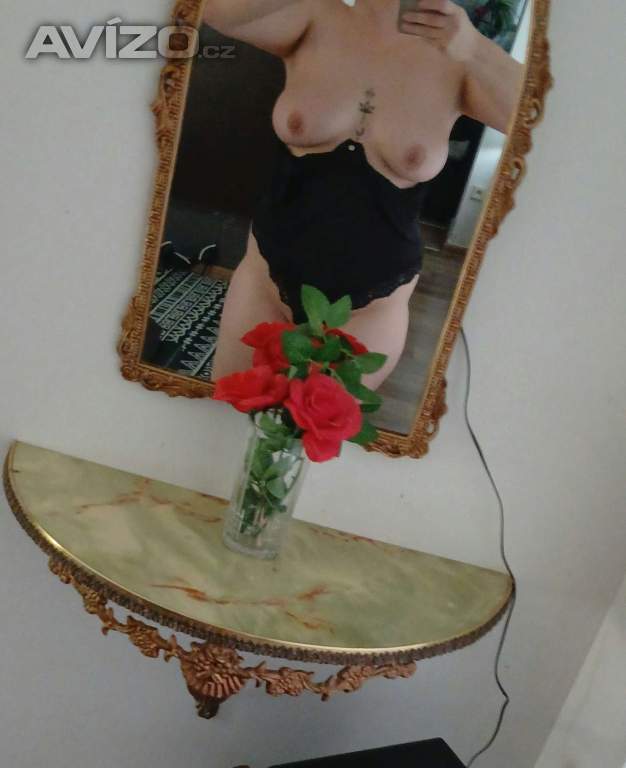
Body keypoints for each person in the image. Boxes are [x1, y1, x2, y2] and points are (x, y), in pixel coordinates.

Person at [205, 0, 524, 387]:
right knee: (220, 411)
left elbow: (547, 120)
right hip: (265, 281)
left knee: (315, 427)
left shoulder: (457, 59)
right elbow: (211, 10)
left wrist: (474, 49)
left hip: (371, 307)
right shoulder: (314, 16)